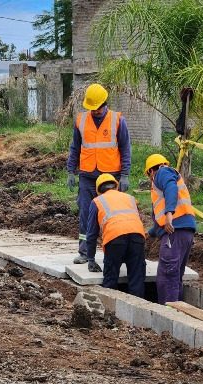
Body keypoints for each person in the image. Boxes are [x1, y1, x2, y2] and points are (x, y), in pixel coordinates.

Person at [67, 83, 132, 265]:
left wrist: (125, 174)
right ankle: (85, 252)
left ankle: (117, 253)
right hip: (87, 175)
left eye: (97, 108)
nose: (94, 111)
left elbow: (125, 148)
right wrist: (71, 170)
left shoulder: (117, 120)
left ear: (105, 103)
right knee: (86, 213)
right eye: (91, 108)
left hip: (111, 176)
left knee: (115, 214)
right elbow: (75, 147)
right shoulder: (81, 120)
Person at [144, 154, 197, 304]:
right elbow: (159, 222)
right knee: (174, 276)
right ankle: (177, 310)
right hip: (184, 231)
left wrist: (169, 213)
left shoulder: (162, 172)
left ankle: (169, 314)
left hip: (174, 231)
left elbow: (171, 187)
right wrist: (150, 233)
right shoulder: (165, 176)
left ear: (151, 172)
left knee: (167, 277)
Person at [85, 173, 146, 298]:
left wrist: (90, 259)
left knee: (111, 278)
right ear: (116, 186)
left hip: (114, 238)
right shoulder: (130, 198)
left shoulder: (97, 201)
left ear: (98, 190)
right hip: (137, 236)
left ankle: (109, 310)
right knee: (137, 277)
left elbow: (91, 234)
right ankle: (138, 306)